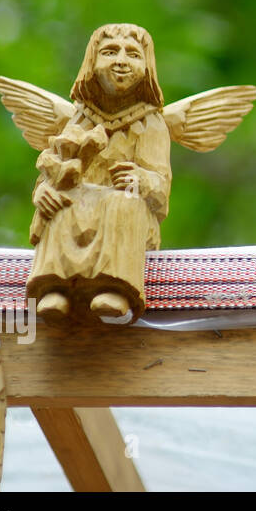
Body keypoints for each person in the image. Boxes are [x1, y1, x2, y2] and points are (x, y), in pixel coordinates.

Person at [28, 24, 171, 323]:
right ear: (92, 62)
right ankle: (55, 286)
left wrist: (142, 180)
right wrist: (43, 189)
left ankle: (116, 286)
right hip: (83, 200)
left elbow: (161, 184)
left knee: (125, 202)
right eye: (109, 52)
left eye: (132, 54)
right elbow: (56, 162)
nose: (121, 60)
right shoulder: (79, 117)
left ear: (147, 67)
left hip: (126, 208)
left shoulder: (151, 124)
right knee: (60, 198)